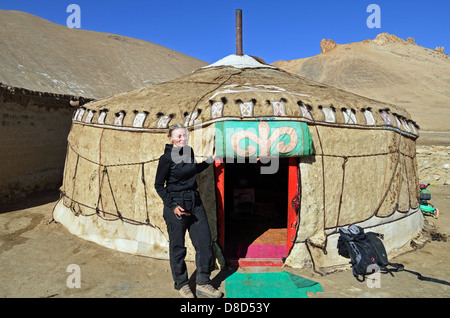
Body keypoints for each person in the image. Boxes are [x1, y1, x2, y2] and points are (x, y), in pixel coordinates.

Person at [154, 123, 223, 298]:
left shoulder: (188, 151)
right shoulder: (166, 158)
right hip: (176, 204)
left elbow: (194, 170)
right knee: (178, 248)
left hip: (195, 202)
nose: (182, 139)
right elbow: (159, 185)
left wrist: (211, 159)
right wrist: (172, 206)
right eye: (179, 136)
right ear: (170, 138)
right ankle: (182, 284)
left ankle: (203, 282)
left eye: (184, 135)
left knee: (204, 242)